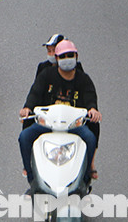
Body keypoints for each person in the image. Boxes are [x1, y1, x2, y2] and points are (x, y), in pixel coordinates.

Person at [18, 40, 101, 186]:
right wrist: (27, 108)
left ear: (76, 56)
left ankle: (85, 177)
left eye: (70, 55)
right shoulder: (46, 75)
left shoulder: (84, 79)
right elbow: (35, 93)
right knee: (24, 137)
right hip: (48, 124)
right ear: (56, 58)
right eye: (63, 56)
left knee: (90, 138)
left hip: (74, 126)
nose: (67, 59)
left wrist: (92, 109)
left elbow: (90, 97)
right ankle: (31, 177)